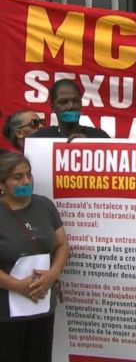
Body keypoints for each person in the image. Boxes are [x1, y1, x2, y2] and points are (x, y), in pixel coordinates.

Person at [0, 152, 69, 362]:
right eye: (18, 177)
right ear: (2, 183)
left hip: (41, 306)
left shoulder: (44, 205)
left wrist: (52, 274)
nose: (27, 181)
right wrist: (17, 285)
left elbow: (61, 245)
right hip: (5, 312)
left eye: (29, 175)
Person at [31, 79, 109, 139]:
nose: (71, 106)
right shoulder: (40, 138)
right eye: (63, 102)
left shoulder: (100, 137)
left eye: (75, 101)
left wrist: (88, 146)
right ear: (53, 107)